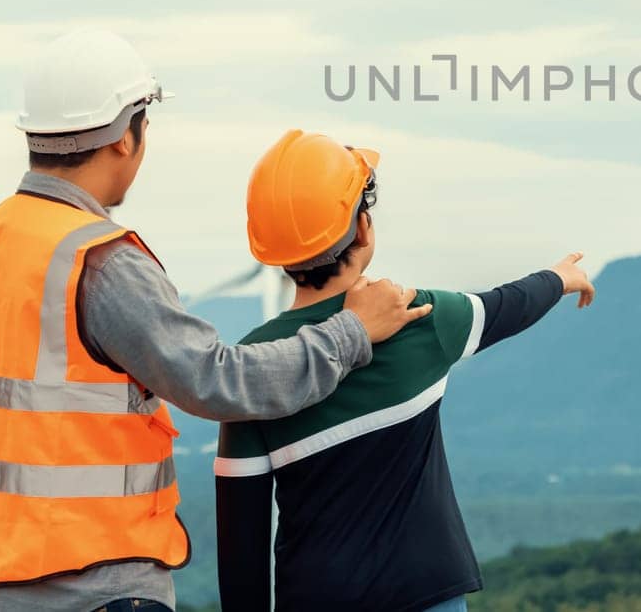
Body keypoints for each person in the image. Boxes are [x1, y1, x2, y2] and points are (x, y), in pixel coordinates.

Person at [0, 31, 430, 612]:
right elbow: (218, 381)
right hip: (100, 586)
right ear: (125, 135)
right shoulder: (99, 260)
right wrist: (353, 332)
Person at [213, 129, 597, 612]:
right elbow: (507, 306)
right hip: (428, 593)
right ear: (364, 228)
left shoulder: (251, 366)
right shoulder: (420, 319)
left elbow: (240, 535)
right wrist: (559, 277)